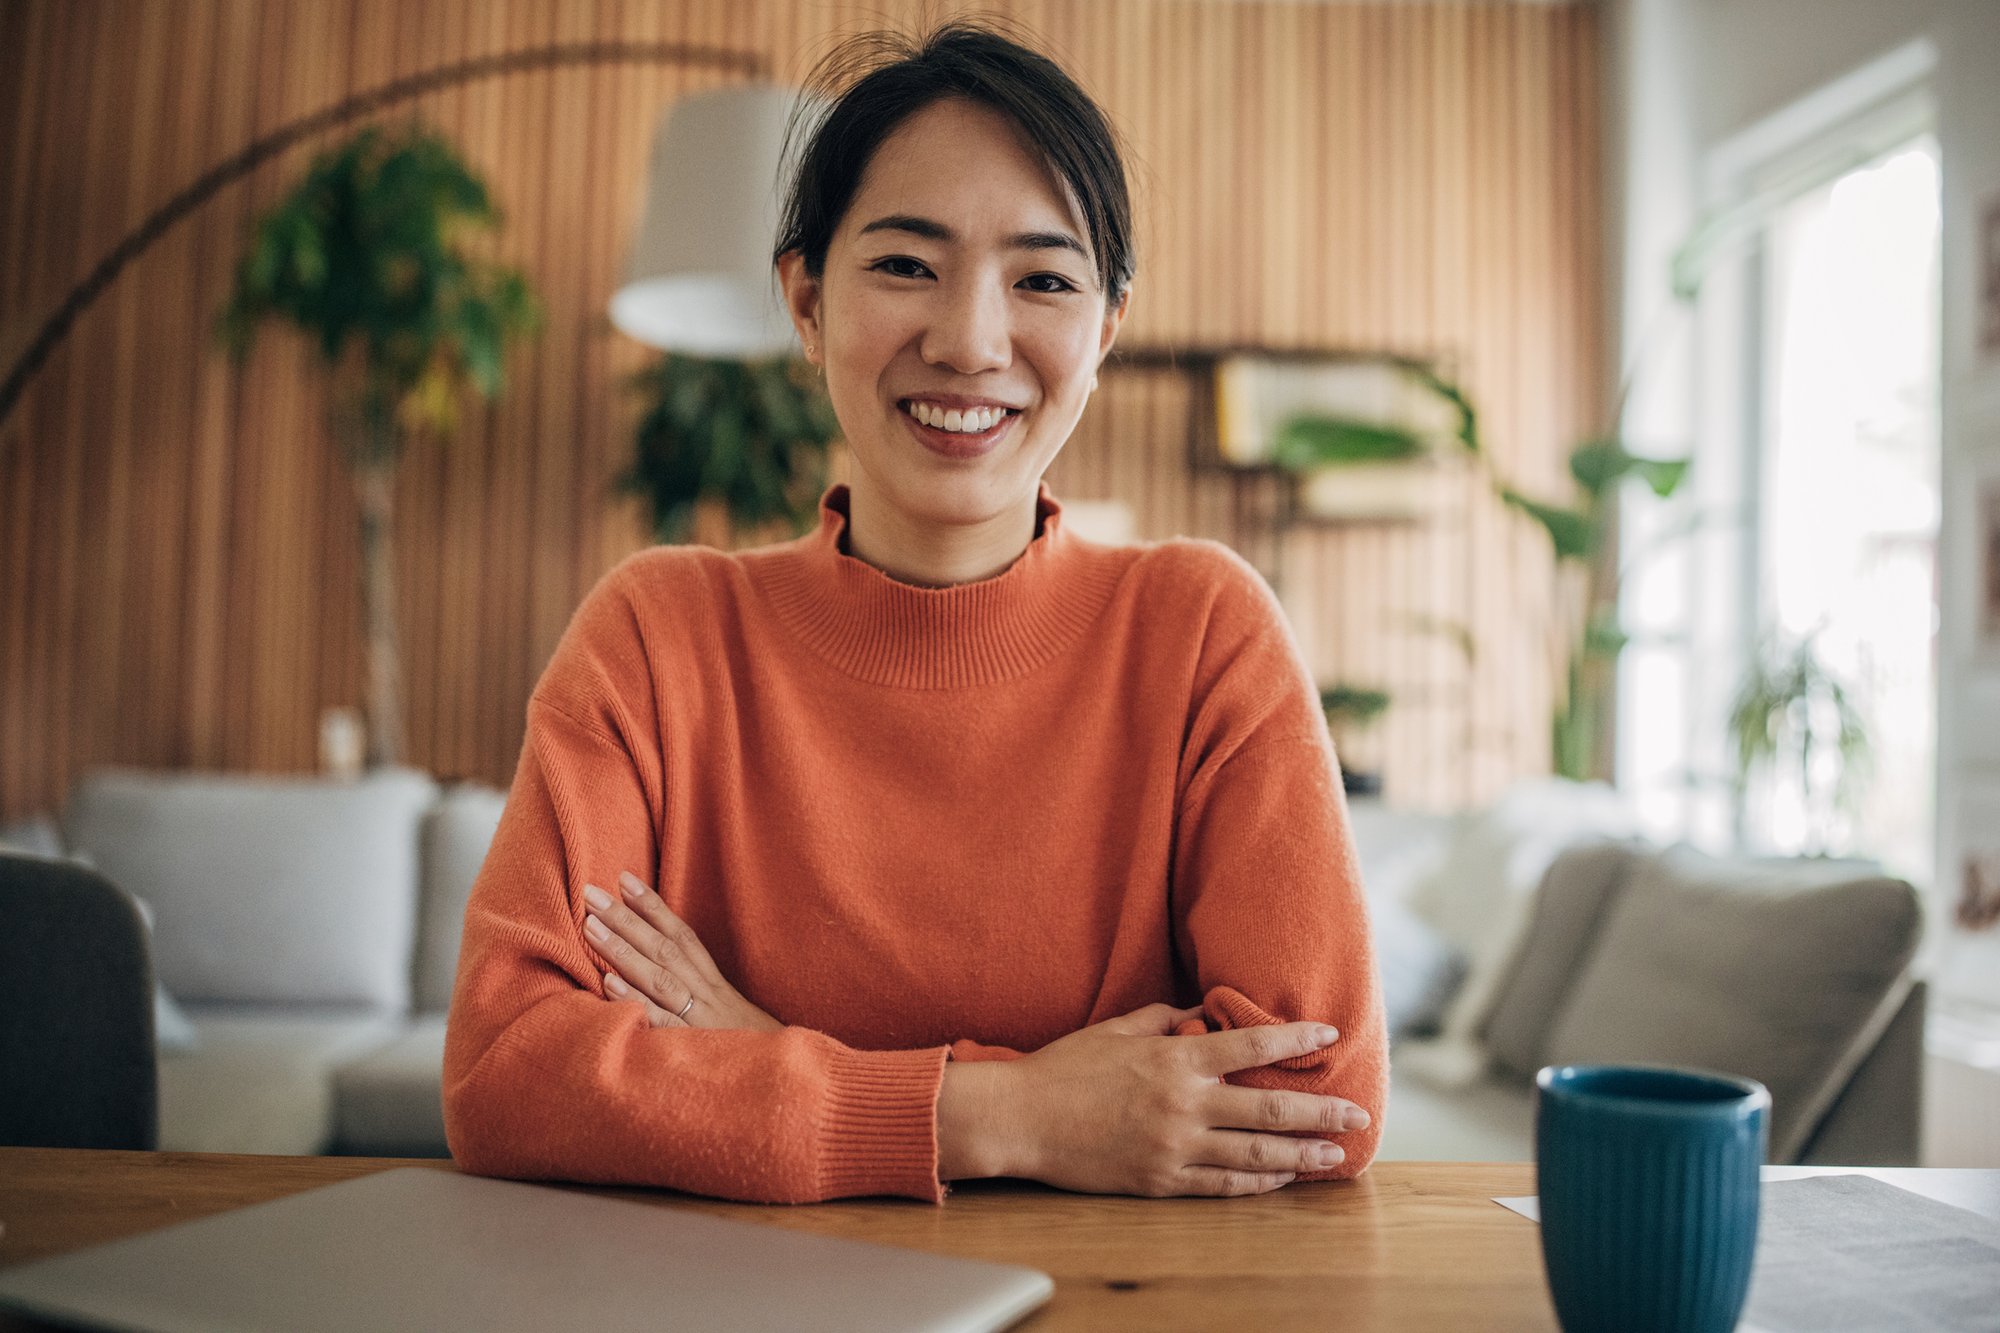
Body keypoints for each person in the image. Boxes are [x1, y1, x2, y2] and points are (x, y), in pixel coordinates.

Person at [442, 18, 1387, 1206]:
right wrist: (1010, 1112)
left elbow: (1316, 1089)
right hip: (734, 1289)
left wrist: (756, 1054)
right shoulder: (657, 636)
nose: (969, 342)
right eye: (904, 265)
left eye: (1041, 280)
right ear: (805, 301)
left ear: (1103, 333)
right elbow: (506, 1066)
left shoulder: (1202, 631)